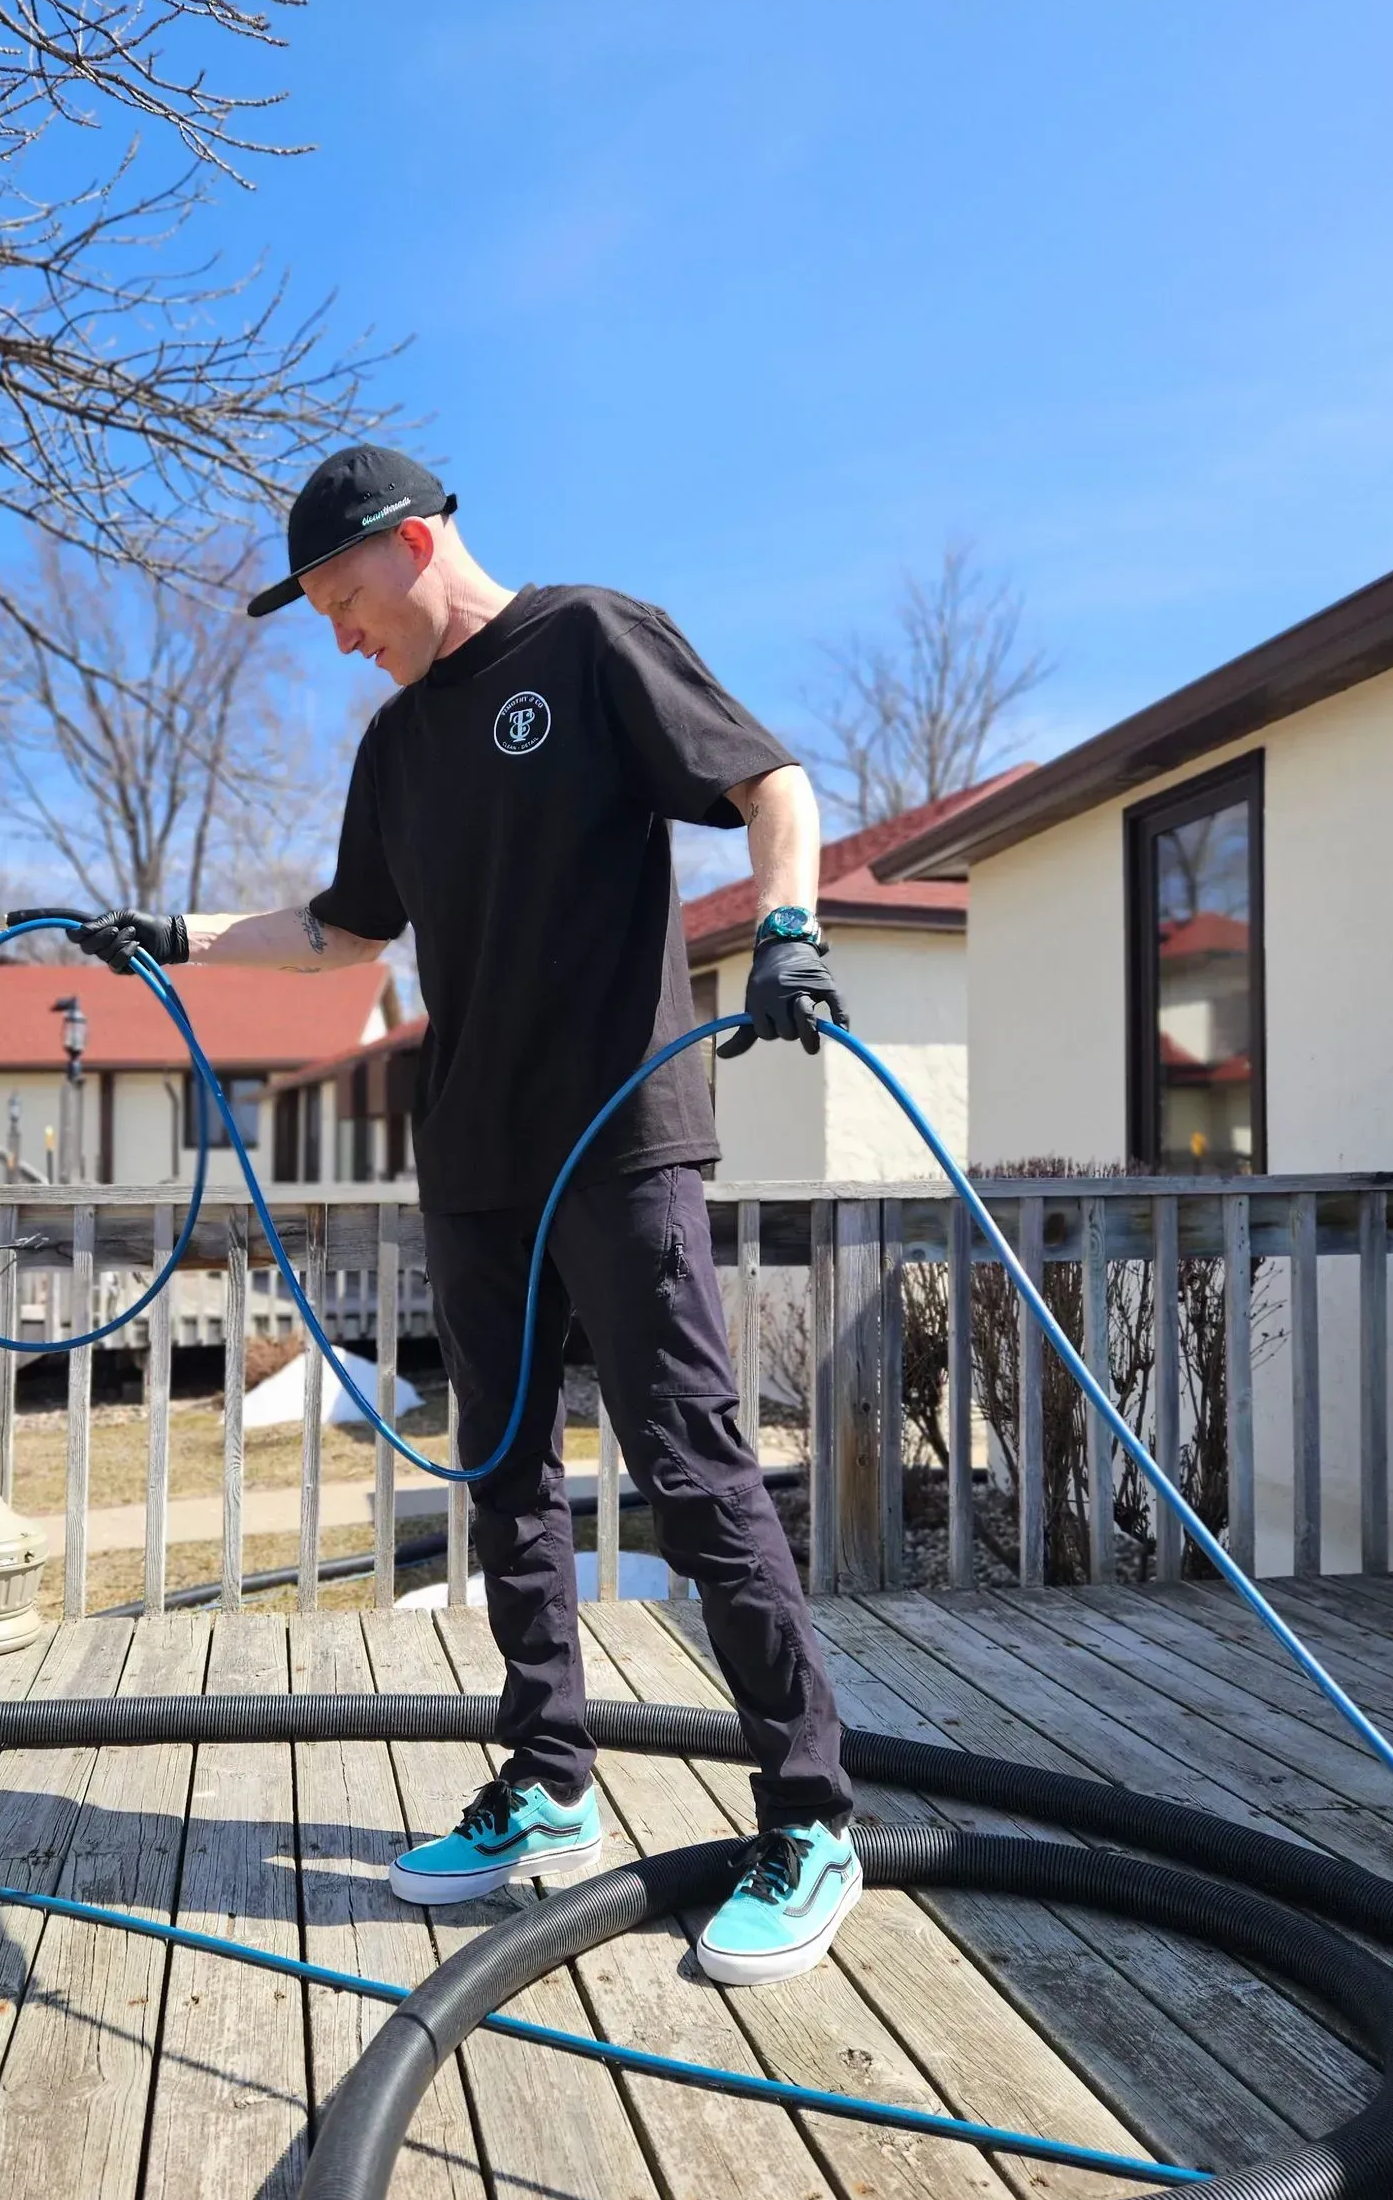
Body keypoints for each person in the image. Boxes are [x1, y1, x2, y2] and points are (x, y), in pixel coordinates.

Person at [73, 444, 859, 1986]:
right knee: (503, 1480)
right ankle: (549, 1784)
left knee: (693, 1466)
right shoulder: (395, 749)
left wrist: (787, 928)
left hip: (622, 1138)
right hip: (476, 1157)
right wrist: (176, 933)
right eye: (319, 615)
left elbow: (771, 780)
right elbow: (340, 932)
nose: (340, 635)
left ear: (417, 542)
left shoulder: (586, 643)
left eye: (346, 600)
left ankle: (812, 1815)